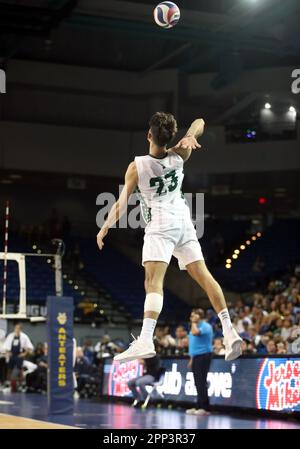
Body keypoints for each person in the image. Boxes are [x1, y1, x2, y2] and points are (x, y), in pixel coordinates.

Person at [97, 112, 242, 363]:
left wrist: (104, 227)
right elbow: (200, 122)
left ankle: (145, 339)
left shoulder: (137, 166)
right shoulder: (180, 153)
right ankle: (230, 332)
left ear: (149, 135)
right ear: (169, 137)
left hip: (161, 225)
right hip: (184, 222)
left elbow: (121, 205)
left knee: (152, 282)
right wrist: (189, 136)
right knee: (205, 277)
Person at [186, 309, 213, 416]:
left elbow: (195, 333)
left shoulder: (206, 326)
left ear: (199, 316)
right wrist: (192, 358)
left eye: (193, 316)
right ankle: (199, 405)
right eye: (191, 316)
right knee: (198, 382)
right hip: (196, 357)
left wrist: (193, 323)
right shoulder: (194, 326)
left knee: (201, 382)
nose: (191, 318)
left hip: (204, 356)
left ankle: (205, 408)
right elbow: (193, 343)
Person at [3, 324, 34, 391]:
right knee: (9, 369)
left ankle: (22, 384)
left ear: (20, 329)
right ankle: (8, 383)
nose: (16, 330)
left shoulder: (24, 337)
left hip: (19, 355)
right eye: (15, 328)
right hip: (12, 355)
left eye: (18, 329)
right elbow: (5, 346)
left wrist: (24, 353)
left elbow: (30, 347)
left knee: (20, 369)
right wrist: (8, 352)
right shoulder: (11, 336)